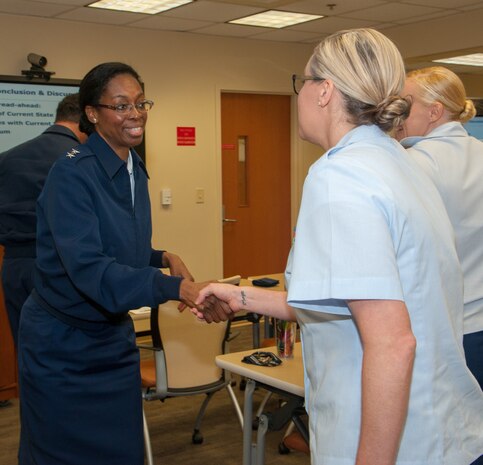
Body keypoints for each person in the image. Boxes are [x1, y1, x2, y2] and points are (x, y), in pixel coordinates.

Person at [195, 29, 483, 465]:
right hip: (442, 430)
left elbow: (392, 343)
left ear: (325, 91)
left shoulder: (342, 177)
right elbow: (346, 296)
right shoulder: (398, 163)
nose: (299, 95)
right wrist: (239, 296)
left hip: (400, 444)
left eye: (303, 82)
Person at [17, 62, 211, 465]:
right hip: (62, 347)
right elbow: (89, 268)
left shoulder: (134, 168)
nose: (136, 114)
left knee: (122, 452)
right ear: (92, 113)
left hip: (111, 341)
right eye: (121, 106)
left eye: (141, 103)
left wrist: (162, 257)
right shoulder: (70, 174)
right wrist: (173, 288)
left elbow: (119, 247)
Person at [395, 66, 483, 392]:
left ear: (434, 111)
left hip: (445, 330)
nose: (397, 115)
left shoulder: (414, 163)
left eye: (405, 105)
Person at [0, 93, 87, 346]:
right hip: (61, 268)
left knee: (26, 350)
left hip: (14, 269)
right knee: (65, 354)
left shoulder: (6, 157)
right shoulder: (80, 159)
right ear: (85, 122)